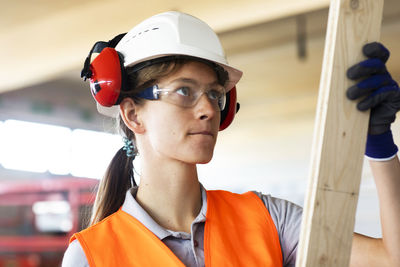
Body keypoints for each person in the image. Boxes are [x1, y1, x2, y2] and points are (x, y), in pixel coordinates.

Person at [62, 11, 400, 267]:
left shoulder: (269, 220)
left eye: (214, 93)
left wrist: (380, 147)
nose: (208, 108)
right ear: (133, 114)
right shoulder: (89, 257)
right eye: (184, 91)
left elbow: (390, 258)